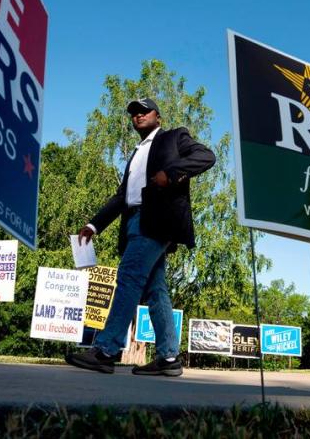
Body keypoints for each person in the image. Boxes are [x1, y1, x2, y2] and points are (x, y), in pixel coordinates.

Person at [66, 97, 215, 376]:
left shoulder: (174, 137)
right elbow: (122, 196)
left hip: (157, 221)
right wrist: (94, 225)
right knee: (155, 290)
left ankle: (106, 350)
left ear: (158, 116)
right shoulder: (135, 155)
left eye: (144, 110)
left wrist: (171, 175)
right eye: (134, 112)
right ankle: (169, 358)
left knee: (129, 277)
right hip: (134, 221)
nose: (138, 115)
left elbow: (206, 157)